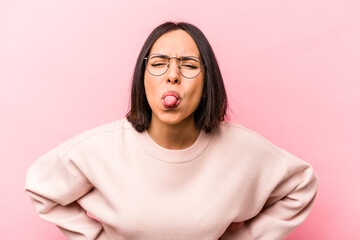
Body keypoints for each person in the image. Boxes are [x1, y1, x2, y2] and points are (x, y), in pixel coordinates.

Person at [25, 21, 319, 240]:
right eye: (159, 63)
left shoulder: (242, 149)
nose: (173, 75)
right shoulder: (100, 148)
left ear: (207, 83)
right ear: (143, 78)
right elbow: (41, 188)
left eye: (189, 65)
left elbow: (302, 183)